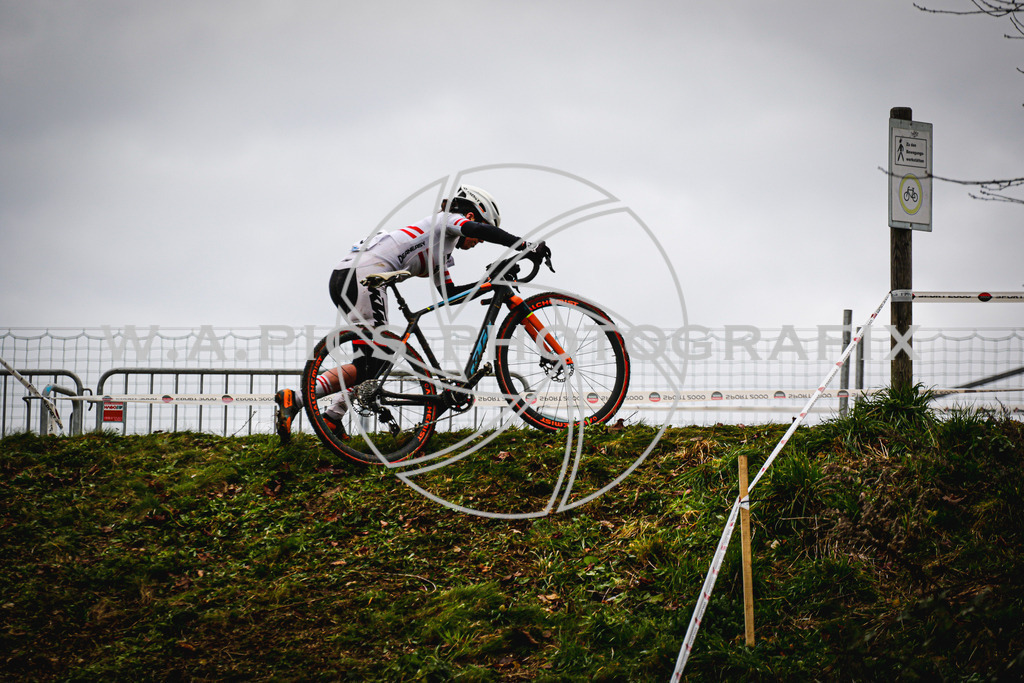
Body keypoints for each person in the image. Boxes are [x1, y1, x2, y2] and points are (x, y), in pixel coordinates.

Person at [274, 185, 544, 443]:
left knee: (370, 361)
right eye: (483, 232)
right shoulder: (449, 220)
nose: (480, 240)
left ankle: (332, 417)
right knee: (374, 363)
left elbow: (450, 295)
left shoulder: (442, 246)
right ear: (472, 215)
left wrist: (488, 282)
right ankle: (296, 399)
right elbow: (472, 229)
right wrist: (524, 246)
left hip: (353, 275)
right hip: (364, 277)